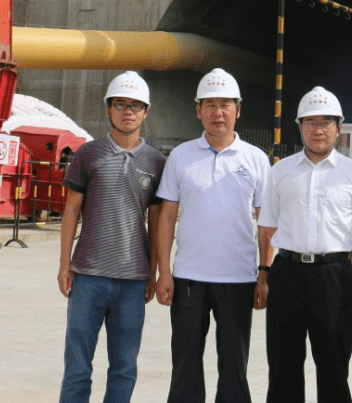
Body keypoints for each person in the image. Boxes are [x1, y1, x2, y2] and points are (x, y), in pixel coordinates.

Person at [156, 68, 270, 403]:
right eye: (210, 104)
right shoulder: (181, 157)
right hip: (189, 276)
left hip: (238, 277)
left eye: (225, 104)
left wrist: (264, 273)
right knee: (185, 363)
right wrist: (165, 271)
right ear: (197, 110)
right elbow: (166, 217)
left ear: (238, 109)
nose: (217, 112)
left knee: (234, 366)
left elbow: (267, 224)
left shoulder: (256, 160)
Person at [256, 87, 352, 403]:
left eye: (326, 122)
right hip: (287, 274)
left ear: (339, 127)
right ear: (300, 126)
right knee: (283, 366)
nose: (318, 130)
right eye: (310, 122)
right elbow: (267, 227)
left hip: (333, 279)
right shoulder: (280, 171)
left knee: (334, 364)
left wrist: (337, 258)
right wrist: (264, 274)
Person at [57, 71, 166, 403]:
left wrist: (153, 271)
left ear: (146, 112)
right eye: (120, 104)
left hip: (132, 283)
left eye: (136, 106)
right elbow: (71, 211)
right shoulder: (88, 155)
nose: (128, 112)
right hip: (88, 276)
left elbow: (157, 220)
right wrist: (65, 265)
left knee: (123, 367)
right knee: (77, 366)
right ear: (109, 109)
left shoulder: (156, 162)